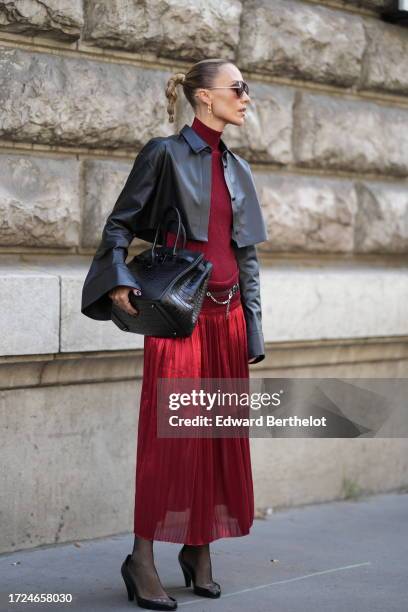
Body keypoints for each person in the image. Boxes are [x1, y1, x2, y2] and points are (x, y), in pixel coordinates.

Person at [81, 58, 268, 610]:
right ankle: (141, 559)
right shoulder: (163, 154)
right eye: (237, 88)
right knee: (171, 439)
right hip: (178, 318)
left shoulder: (239, 168)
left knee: (215, 438)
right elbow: (120, 224)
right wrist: (117, 282)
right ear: (204, 98)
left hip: (227, 318)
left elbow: (246, 254)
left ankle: (198, 548)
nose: (246, 97)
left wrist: (253, 325)